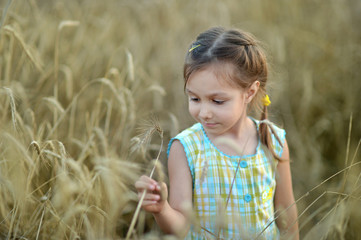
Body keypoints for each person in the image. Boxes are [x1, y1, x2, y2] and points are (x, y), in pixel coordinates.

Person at [135, 26, 299, 239]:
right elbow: (181, 227)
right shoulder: (186, 148)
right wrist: (162, 208)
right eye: (194, 98)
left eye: (217, 101)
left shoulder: (273, 141)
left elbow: (287, 213)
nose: (203, 113)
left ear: (250, 92)